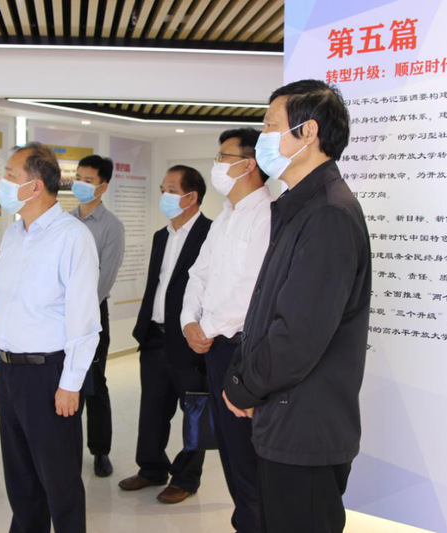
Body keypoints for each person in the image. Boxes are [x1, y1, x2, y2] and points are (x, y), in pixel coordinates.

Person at [222, 80, 372, 533]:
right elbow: (268, 311)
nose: (263, 137)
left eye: (271, 126)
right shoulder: (298, 206)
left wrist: (243, 387)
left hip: (306, 428)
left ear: (308, 133)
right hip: (285, 418)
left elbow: (297, 336)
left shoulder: (327, 213)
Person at [0, 142, 101, 533]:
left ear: (35, 186)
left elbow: (84, 320)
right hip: (10, 370)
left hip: (49, 374)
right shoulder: (13, 234)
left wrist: (70, 384)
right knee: (20, 478)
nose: (3, 182)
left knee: (59, 480)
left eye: (10, 175)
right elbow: (2, 305)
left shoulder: (72, 237)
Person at [180, 128, 270, 533]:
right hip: (214, 347)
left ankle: (255, 523)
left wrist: (207, 328)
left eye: (223, 158)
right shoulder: (225, 217)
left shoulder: (267, 215)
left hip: (241, 349)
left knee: (247, 454)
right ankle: (245, 522)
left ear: (248, 164)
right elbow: (198, 274)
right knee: (230, 451)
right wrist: (189, 321)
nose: (216, 166)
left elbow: (251, 290)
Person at [118, 165, 211, 504]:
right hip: (155, 337)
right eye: (162, 189)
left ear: (191, 197)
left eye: (171, 190)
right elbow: (156, 285)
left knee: (194, 411)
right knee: (153, 409)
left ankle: (186, 478)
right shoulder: (162, 236)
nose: (164, 196)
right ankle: (151, 468)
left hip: (189, 340)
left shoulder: (211, 234)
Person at [70, 155, 125, 478]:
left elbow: (105, 279)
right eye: (78, 177)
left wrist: (81, 312)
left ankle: (100, 450)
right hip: (61, 314)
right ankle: (67, 447)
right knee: (65, 381)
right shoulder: (64, 221)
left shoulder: (111, 227)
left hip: (92, 313)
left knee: (94, 383)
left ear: (103, 187)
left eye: (88, 180)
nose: (80, 184)